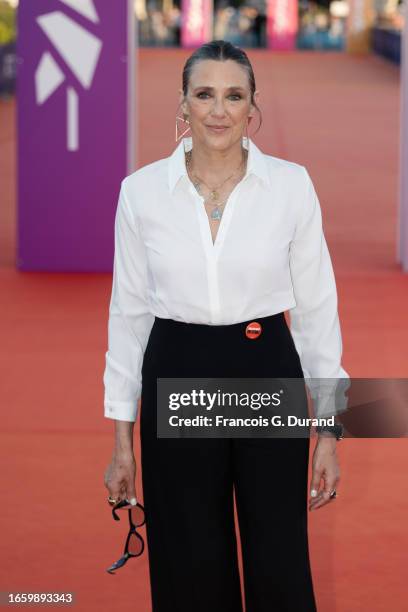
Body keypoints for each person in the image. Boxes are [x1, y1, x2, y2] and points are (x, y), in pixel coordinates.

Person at [103, 39, 349, 612]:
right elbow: (128, 314)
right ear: (183, 105)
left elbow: (317, 312)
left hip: (266, 370)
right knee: (188, 555)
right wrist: (122, 441)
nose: (218, 110)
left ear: (252, 106)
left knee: (278, 552)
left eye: (233, 95)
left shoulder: (291, 186)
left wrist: (330, 429)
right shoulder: (141, 193)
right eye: (204, 94)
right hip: (177, 370)